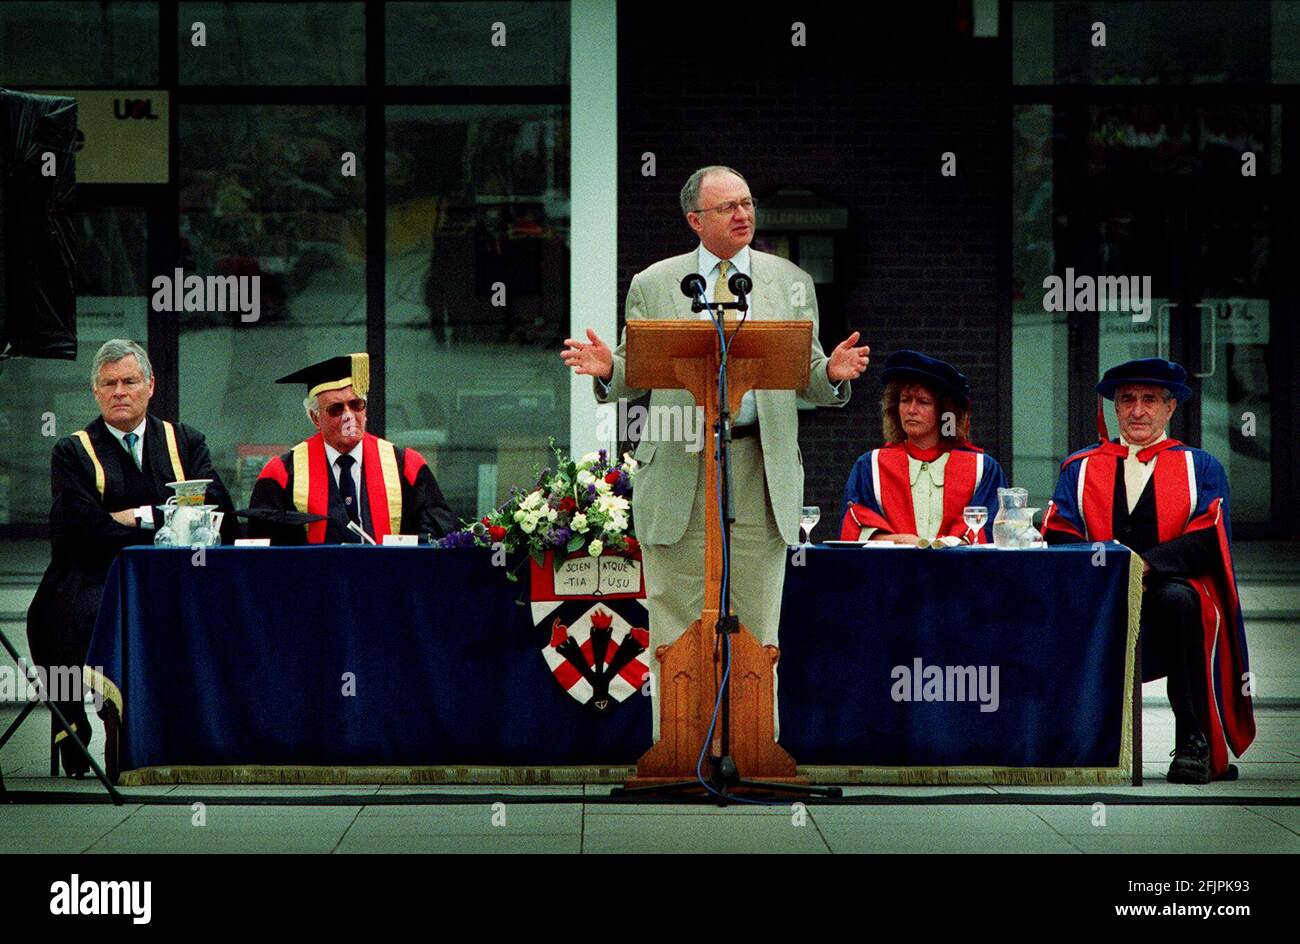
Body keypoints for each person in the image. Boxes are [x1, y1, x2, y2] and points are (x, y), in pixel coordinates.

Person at [560, 165, 870, 740]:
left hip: (760, 468)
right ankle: (678, 753)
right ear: (695, 220)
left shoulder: (789, 281)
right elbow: (637, 365)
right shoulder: (656, 281)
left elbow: (807, 372)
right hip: (681, 468)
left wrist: (831, 373)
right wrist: (610, 371)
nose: (743, 215)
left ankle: (752, 752)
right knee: (676, 626)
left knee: (757, 625)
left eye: (748, 203)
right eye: (727, 207)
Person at [26, 339, 237, 776]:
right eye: (109, 384)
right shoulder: (73, 451)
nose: (119, 391)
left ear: (150, 386)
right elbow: (78, 527)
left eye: (129, 381)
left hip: (177, 579)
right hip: (97, 576)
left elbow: (216, 508)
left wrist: (136, 516)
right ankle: (92, 723)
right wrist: (170, 517)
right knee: (75, 616)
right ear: (96, 392)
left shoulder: (185, 441)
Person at [1042, 357, 1255, 783]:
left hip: (1167, 592)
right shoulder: (1080, 467)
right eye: (1127, 400)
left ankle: (1193, 739)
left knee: (1182, 601)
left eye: (1150, 400)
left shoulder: (1200, 468)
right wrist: (1110, 566)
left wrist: (1144, 566)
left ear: (1170, 408)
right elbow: (1059, 531)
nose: (1137, 410)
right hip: (1099, 591)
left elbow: (1207, 540)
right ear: (1114, 409)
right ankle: (1071, 737)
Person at [248, 353, 455, 543]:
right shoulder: (282, 473)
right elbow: (266, 548)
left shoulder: (406, 466)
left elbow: (437, 533)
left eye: (356, 404)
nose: (349, 416)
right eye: (336, 409)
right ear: (315, 418)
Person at [840, 350, 1006, 545]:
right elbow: (854, 525)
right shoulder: (870, 466)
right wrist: (904, 541)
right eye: (905, 400)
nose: (911, 410)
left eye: (923, 402)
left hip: (958, 572)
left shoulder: (982, 468)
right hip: (892, 571)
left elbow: (993, 529)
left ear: (945, 412)